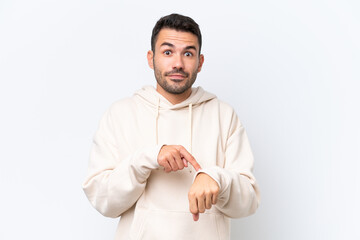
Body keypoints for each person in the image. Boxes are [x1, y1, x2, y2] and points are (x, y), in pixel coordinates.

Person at [82, 13, 260, 240]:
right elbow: (102, 200)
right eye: (168, 52)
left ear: (200, 62)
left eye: (188, 53)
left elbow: (249, 202)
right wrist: (146, 159)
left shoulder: (223, 115)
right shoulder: (120, 114)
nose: (178, 63)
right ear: (151, 58)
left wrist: (216, 179)